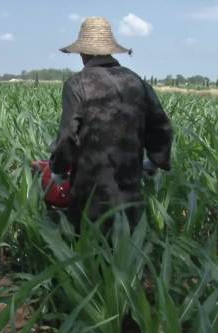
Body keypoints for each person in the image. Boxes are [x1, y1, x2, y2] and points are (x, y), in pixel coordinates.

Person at [49, 16, 174, 232]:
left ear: (82, 52)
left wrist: (58, 170)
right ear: (110, 51)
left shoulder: (77, 84)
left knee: (89, 255)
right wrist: (154, 162)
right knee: (128, 256)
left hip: (88, 198)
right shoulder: (136, 81)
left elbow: (68, 135)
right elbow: (161, 126)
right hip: (130, 195)